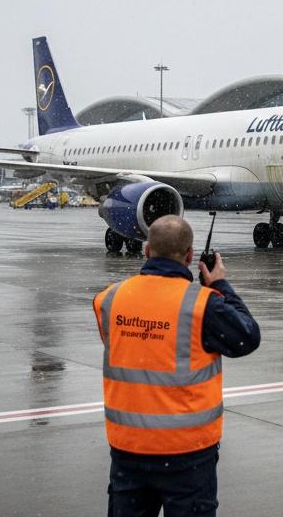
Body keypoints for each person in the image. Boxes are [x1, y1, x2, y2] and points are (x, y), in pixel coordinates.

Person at [93, 215, 261, 516]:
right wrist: (220, 284)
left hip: (128, 449)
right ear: (190, 256)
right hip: (187, 453)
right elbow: (247, 337)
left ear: (146, 251)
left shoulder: (109, 298)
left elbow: (114, 342)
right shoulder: (204, 304)